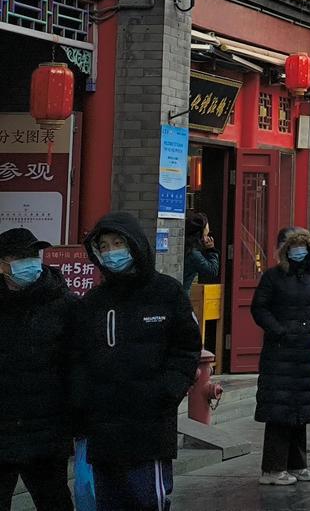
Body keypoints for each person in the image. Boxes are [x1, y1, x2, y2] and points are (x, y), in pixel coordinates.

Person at [72, 212, 201, 511]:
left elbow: (187, 347)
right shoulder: (92, 303)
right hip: (103, 424)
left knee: (147, 501)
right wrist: (81, 404)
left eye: (118, 243)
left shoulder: (167, 292)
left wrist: (167, 391)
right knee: (108, 501)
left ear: (134, 245)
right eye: (103, 246)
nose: (111, 252)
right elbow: (77, 358)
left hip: (149, 423)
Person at [0, 228, 76, 511]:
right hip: (3, 426)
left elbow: (76, 364)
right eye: (18, 257)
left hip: (47, 431)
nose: (29, 263)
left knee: (54, 501)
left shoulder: (63, 304)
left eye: (33, 255)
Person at [251, 226, 310, 486]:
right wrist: (279, 331)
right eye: (292, 246)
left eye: (302, 246)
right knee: (279, 410)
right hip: (280, 353)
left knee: (300, 410)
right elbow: (259, 308)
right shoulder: (273, 277)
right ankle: (272, 468)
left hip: (306, 351)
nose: (297, 252)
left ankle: (298, 464)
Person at [182, 212, 219, 293]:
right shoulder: (193, 254)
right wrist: (211, 250)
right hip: (182, 296)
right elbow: (212, 271)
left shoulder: (182, 246)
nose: (206, 238)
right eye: (205, 235)